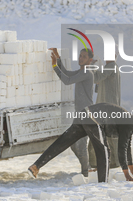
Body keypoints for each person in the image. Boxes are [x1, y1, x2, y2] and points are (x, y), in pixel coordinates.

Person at [28, 103, 133, 182]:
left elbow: (126, 148)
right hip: (93, 119)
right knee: (105, 151)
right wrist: (126, 174)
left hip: (84, 114)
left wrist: (131, 169)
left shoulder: (129, 123)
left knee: (63, 142)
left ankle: (35, 166)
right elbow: (121, 148)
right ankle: (102, 186)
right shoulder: (129, 123)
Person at [48, 47, 94, 177]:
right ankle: (87, 167)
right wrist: (59, 60)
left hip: (86, 114)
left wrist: (54, 66)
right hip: (79, 113)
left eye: (84, 57)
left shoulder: (87, 73)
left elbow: (67, 81)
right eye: (80, 56)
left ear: (89, 60)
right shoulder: (81, 72)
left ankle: (86, 172)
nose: (81, 58)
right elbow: (68, 73)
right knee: (73, 144)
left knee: (82, 144)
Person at [89, 51, 121, 168]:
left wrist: (91, 65)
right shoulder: (112, 68)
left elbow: (95, 78)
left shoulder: (111, 67)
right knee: (108, 135)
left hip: (106, 108)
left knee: (98, 134)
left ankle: (96, 163)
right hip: (108, 107)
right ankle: (113, 162)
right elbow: (99, 85)